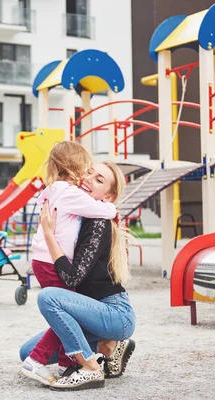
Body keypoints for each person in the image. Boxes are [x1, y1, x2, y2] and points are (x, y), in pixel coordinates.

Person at [20, 161, 136, 391]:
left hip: (114, 312)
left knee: (48, 298)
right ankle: (110, 346)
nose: (88, 179)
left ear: (108, 196)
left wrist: (49, 235)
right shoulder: (76, 216)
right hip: (89, 314)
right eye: (89, 172)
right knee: (26, 352)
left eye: (99, 180)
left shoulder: (98, 223)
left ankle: (90, 367)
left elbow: (71, 279)